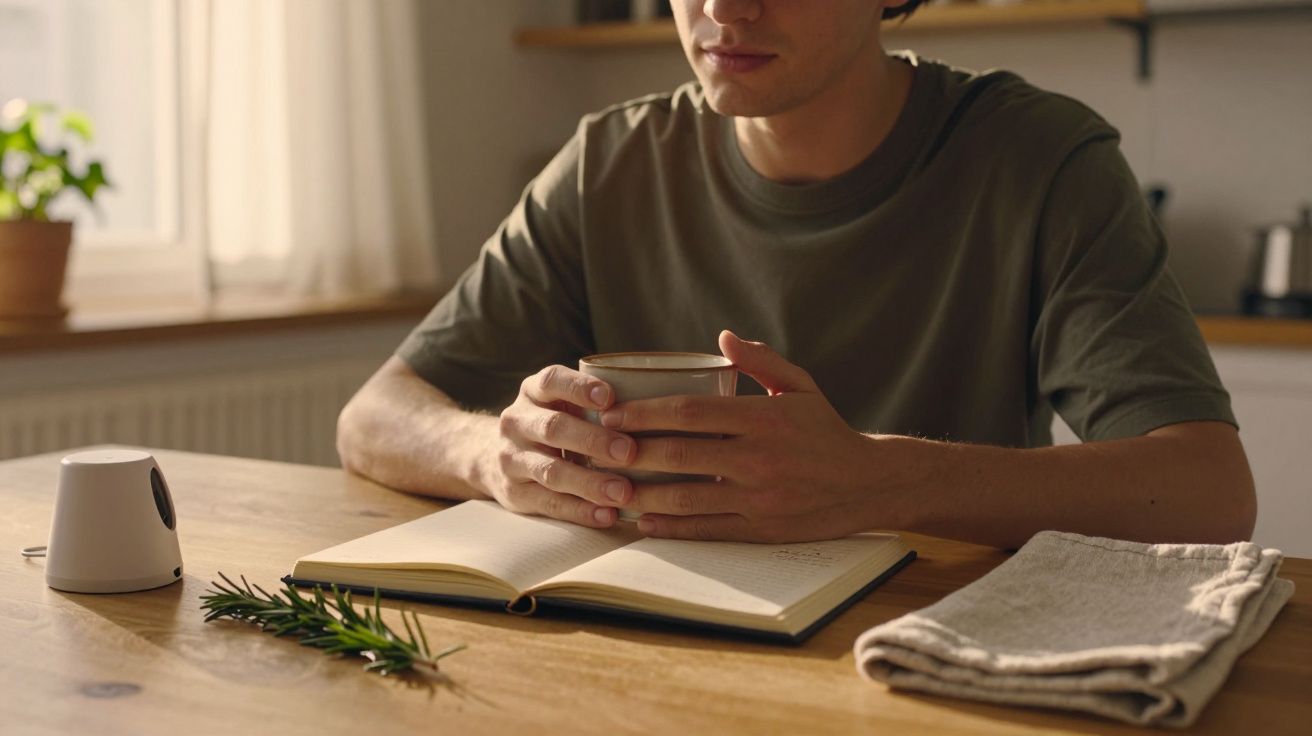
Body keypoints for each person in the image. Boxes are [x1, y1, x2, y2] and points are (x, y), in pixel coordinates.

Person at [336, 0, 1255, 549]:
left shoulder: (1039, 160)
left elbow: (1210, 493)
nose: (726, 6)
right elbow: (374, 417)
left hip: (928, 665)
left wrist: (878, 480)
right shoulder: (608, 163)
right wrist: (491, 456)